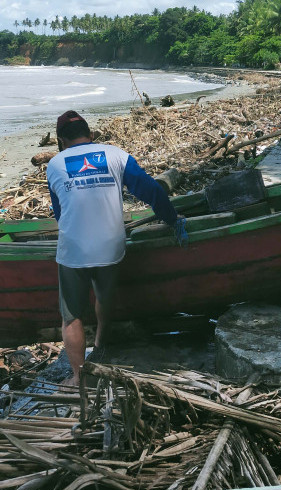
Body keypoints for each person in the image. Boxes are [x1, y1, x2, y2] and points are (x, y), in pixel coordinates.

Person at [47, 110, 186, 391]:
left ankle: (78, 378)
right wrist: (173, 220)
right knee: (103, 295)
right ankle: (101, 342)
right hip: (112, 244)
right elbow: (153, 191)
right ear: (92, 135)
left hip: (74, 249)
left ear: (61, 140)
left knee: (71, 316)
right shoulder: (116, 155)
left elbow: (60, 212)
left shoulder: (55, 164)